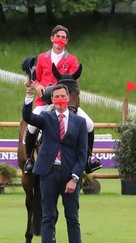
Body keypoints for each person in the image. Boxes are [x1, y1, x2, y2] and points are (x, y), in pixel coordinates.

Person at [22, 83, 91, 243]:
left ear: (68, 98)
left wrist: (75, 178)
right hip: (48, 173)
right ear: (52, 99)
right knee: (47, 217)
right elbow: (28, 117)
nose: (60, 99)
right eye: (56, 97)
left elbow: (81, 153)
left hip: (70, 175)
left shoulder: (79, 122)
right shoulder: (46, 117)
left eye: (62, 96)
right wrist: (29, 94)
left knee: (73, 219)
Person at [23, 24, 99, 176]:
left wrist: (57, 91)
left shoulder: (72, 60)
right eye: (58, 36)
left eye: (63, 37)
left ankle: (89, 159)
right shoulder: (42, 58)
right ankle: (29, 159)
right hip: (44, 102)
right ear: (52, 38)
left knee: (90, 124)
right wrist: (37, 86)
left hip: (65, 101)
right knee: (31, 128)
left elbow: (73, 81)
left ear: (67, 41)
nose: (60, 39)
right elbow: (35, 79)